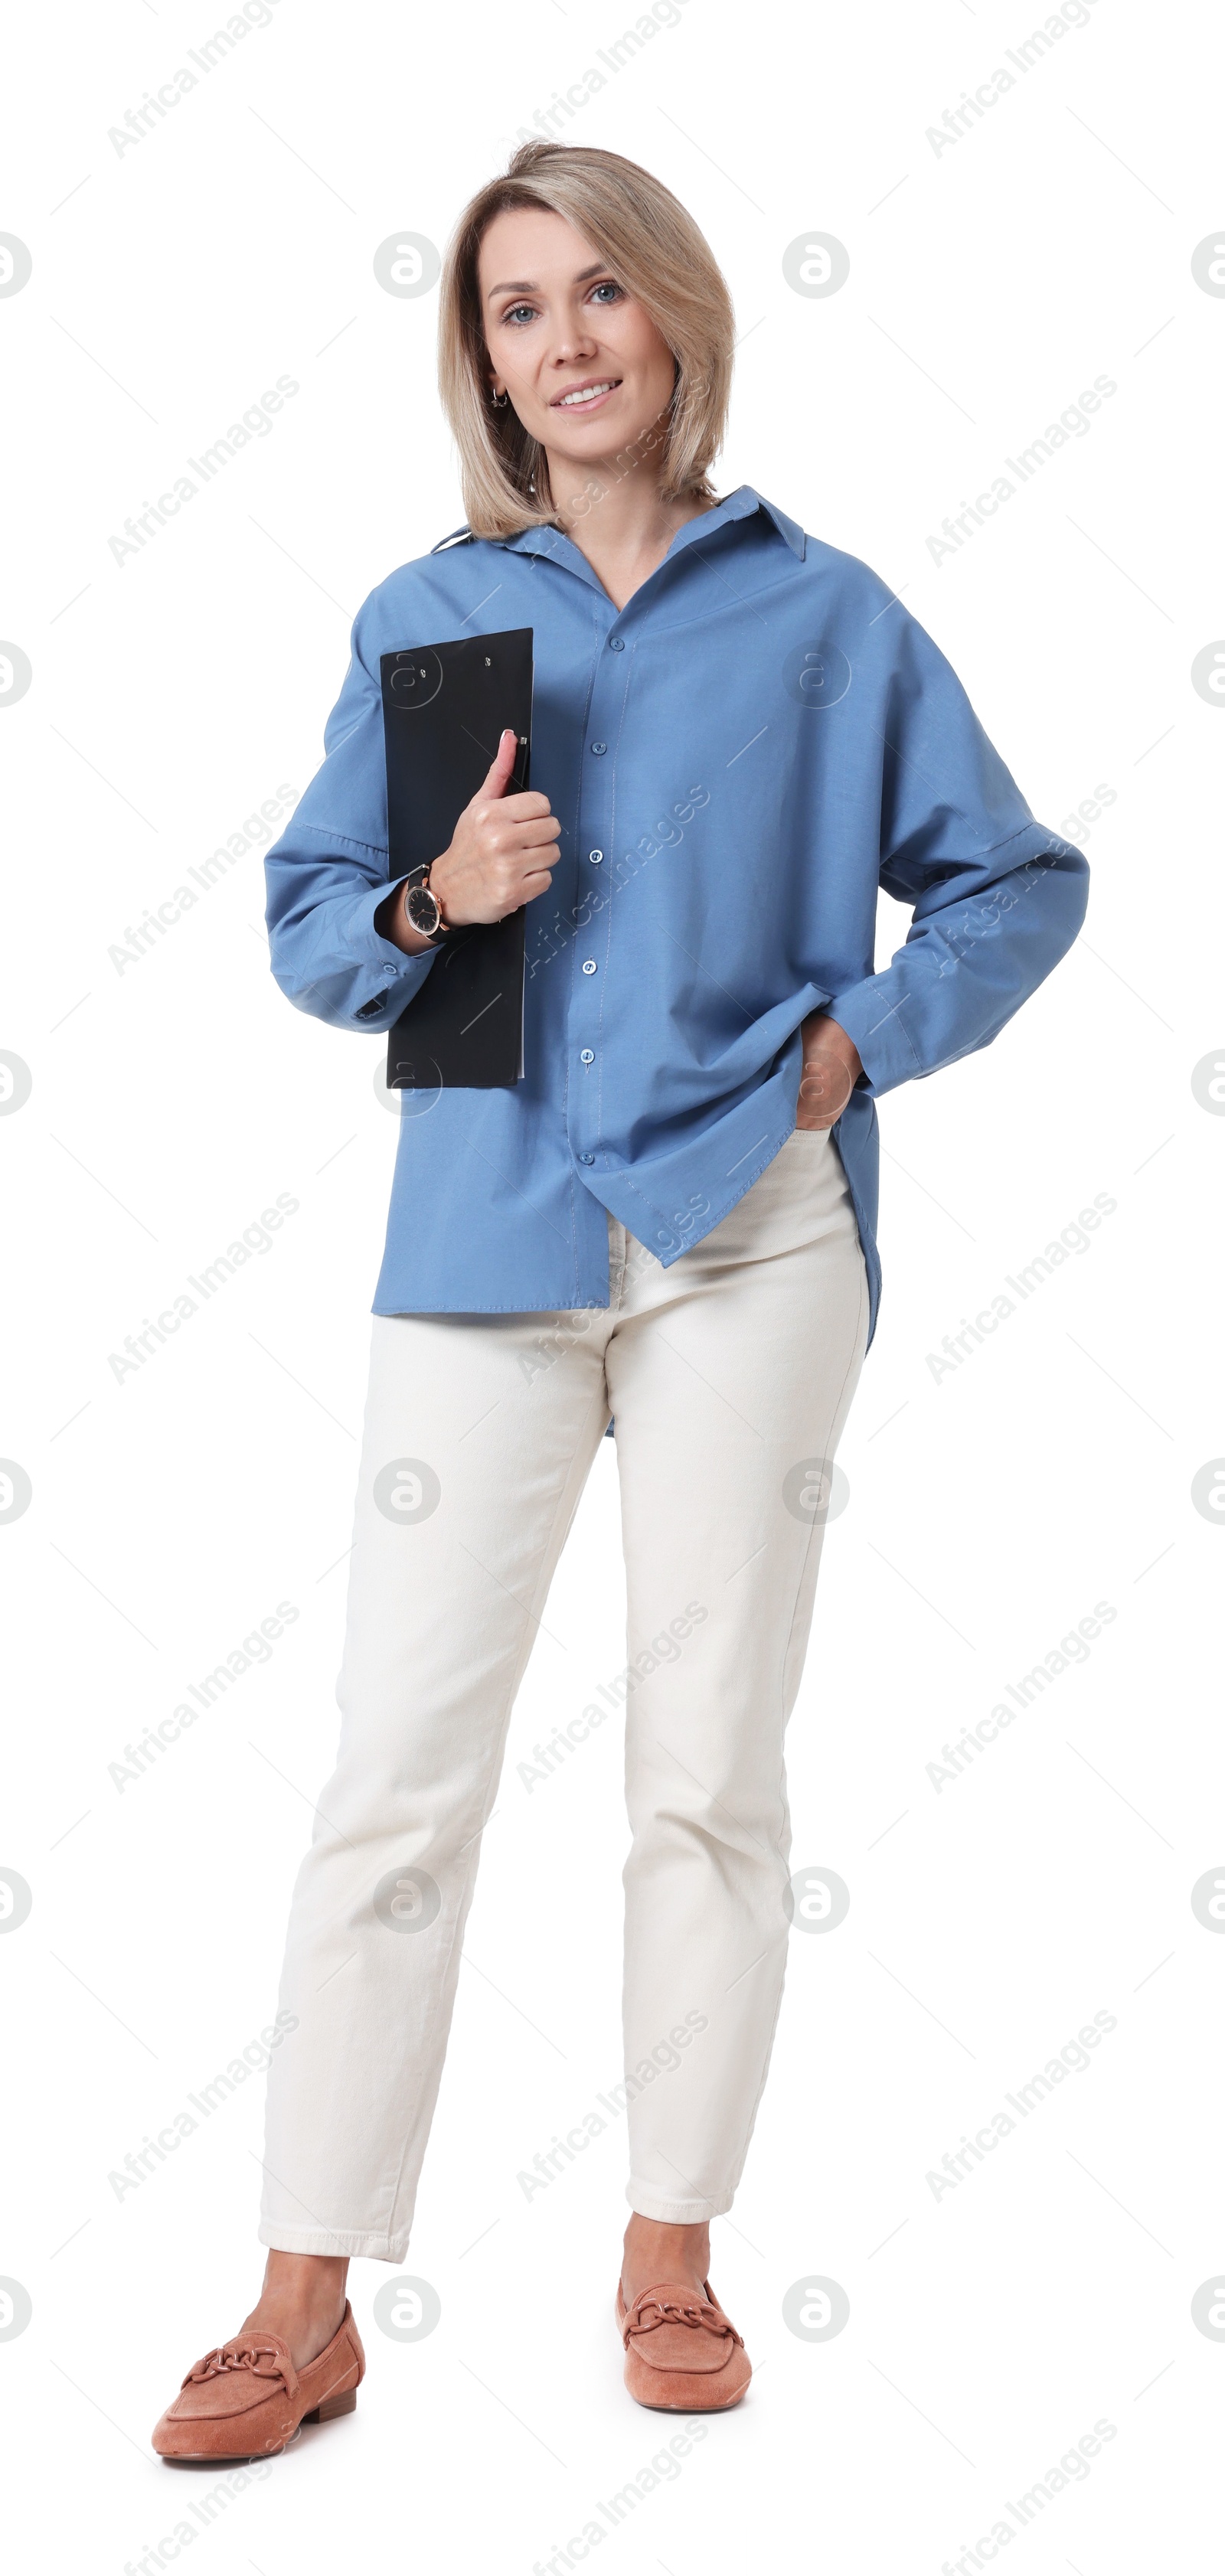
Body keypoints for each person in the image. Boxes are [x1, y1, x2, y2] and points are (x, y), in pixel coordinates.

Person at [152, 140, 1088, 2460]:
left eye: (596, 295)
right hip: (482, 1232)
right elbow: (303, 917)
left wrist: (863, 1042)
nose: (561, 343)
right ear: (476, 356)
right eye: (510, 310)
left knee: (707, 1770)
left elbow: (1016, 879)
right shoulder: (430, 614)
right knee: (394, 1776)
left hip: (751, 1242)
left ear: (672, 316)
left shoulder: (828, 615)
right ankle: (305, 2299)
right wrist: (431, 897)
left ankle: (670, 2252)